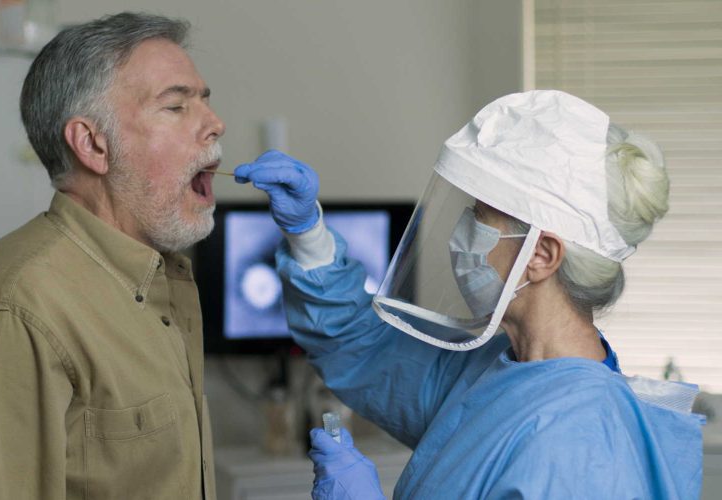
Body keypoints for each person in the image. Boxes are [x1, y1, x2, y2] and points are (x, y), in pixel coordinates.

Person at [234, 90, 704, 499]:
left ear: (541, 254)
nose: (460, 234)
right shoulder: (495, 368)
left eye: (481, 216)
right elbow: (363, 348)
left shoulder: (581, 439)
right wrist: (307, 233)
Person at [0, 12, 224, 499]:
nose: (215, 124)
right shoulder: (11, 313)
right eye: (176, 107)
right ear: (92, 144)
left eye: (205, 103)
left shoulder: (162, 282)